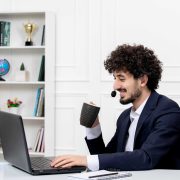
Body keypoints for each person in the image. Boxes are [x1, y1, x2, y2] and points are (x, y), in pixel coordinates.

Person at [51, 44, 180, 171]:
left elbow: (146, 158)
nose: (115, 86)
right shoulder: (124, 117)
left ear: (142, 81)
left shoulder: (168, 111)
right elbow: (107, 158)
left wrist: (86, 160)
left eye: (121, 79)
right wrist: (93, 127)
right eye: (115, 78)